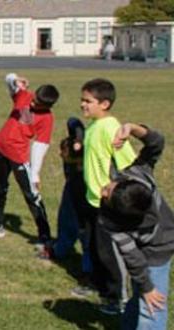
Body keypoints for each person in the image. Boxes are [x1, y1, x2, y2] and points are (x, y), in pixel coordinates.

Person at [99, 123, 173, 330]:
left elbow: (135, 260)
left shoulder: (113, 221)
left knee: (152, 306)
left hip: (159, 249)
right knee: (141, 294)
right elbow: (156, 144)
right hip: (148, 243)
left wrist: (149, 287)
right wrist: (131, 129)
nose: (103, 190)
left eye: (107, 193)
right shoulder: (138, 176)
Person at [0, 74, 59, 252]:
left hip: (19, 157)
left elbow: (40, 145)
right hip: (0, 148)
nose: (32, 104)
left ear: (48, 106)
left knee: (32, 194)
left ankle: (44, 236)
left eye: (38, 104)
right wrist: (15, 80)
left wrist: (35, 173)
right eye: (34, 99)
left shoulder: (47, 118)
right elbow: (9, 81)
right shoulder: (25, 97)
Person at [81, 78, 136, 315]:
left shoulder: (112, 128)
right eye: (82, 100)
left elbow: (128, 166)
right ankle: (101, 287)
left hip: (107, 203)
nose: (82, 105)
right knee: (94, 247)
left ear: (104, 104)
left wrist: (113, 193)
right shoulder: (93, 124)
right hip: (92, 199)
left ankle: (119, 297)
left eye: (87, 101)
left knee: (110, 252)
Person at [53, 118, 97, 295]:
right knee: (65, 224)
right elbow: (72, 120)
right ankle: (60, 251)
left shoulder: (84, 176)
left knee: (86, 238)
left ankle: (89, 276)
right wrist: (78, 138)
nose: (60, 155)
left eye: (63, 152)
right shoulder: (72, 164)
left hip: (82, 209)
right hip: (69, 198)